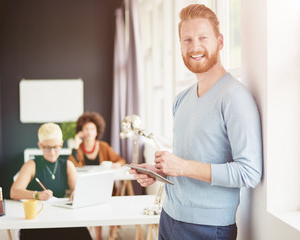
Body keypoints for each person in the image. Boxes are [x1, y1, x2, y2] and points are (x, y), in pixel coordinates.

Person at [129, 4, 262, 240]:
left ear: (220, 42)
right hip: (169, 217)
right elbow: (188, 162)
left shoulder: (235, 98)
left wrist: (183, 167)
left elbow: (249, 172)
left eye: (203, 38)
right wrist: (161, 172)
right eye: (187, 39)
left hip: (208, 228)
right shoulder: (182, 99)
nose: (195, 47)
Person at [10, 122, 92, 240]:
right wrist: (36, 195)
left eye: (56, 147)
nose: (52, 152)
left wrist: (76, 193)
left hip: (61, 218)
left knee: (82, 234)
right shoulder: (31, 165)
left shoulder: (68, 165)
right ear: (40, 145)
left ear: (61, 144)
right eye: (47, 147)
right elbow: (14, 192)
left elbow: (77, 190)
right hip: (37, 220)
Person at [68, 112, 126, 240]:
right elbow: (72, 165)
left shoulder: (104, 147)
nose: (89, 132)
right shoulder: (79, 149)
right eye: (86, 129)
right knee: (94, 207)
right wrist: (75, 144)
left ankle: (110, 228)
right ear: (81, 131)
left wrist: (114, 164)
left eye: (92, 129)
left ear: (97, 131)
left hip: (105, 185)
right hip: (88, 186)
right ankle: (98, 236)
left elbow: (121, 161)